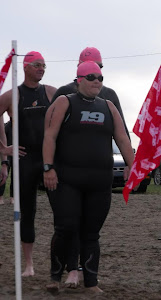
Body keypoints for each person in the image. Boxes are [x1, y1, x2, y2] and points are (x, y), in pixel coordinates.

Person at [43, 61, 134, 293]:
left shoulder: (109, 106)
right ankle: (55, 276)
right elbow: (50, 136)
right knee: (66, 227)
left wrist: (134, 167)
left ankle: (91, 283)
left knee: (91, 232)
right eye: (92, 77)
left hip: (99, 181)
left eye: (100, 78)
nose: (97, 82)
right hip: (67, 179)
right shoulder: (65, 102)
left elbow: (123, 139)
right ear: (79, 79)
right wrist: (48, 168)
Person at [0, 51, 57, 276]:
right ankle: (29, 265)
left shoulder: (52, 92)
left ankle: (60, 265)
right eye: (37, 65)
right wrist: (4, 150)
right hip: (25, 160)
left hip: (49, 161)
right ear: (25, 67)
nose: (41, 68)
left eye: (44, 65)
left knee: (62, 213)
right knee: (27, 213)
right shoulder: (12, 96)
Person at [51, 46, 130, 138]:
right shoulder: (64, 93)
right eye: (90, 66)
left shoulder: (110, 95)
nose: (95, 69)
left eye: (98, 67)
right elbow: (48, 134)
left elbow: (123, 136)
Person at [0, 121, 14, 205]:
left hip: (17, 154)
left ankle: (13, 197)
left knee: (15, 177)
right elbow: (3, 138)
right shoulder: (8, 126)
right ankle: (0, 197)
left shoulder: (21, 126)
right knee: (4, 176)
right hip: (7, 154)